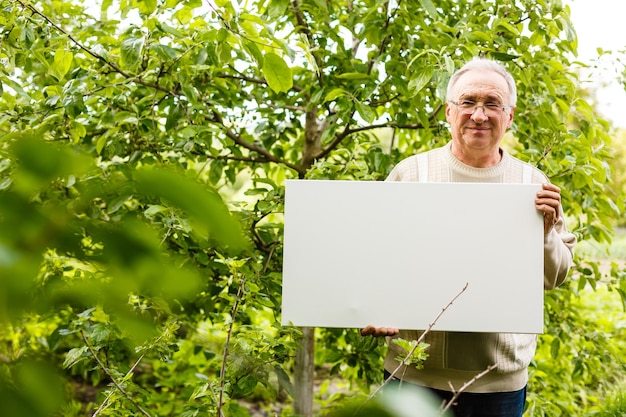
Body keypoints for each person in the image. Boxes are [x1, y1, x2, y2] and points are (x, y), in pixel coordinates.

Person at [360, 57, 577, 417]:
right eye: (468, 102)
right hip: (412, 376)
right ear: (448, 112)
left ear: (509, 116)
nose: (479, 114)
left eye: (492, 104)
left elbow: (554, 277)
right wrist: (372, 306)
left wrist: (545, 234)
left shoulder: (533, 184)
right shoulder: (413, 174)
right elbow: (375, 259)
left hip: (498, 384)